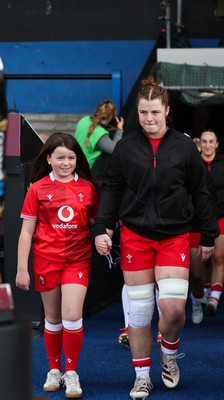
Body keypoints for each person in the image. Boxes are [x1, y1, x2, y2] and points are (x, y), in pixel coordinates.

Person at [92, 77, 219, 399]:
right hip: (135, 235)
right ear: (138, 111)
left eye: (155, 112)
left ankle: (170, 354)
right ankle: (142, 376)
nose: (149, 119)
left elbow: (200, 192)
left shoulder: (183, 148)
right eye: (143, 112)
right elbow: (112, 190)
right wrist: (102, 227)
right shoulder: (126, 148)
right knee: (139, 312)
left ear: (167, 111)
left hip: (175, 235)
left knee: (174, 311)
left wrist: (208, 234)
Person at [16, 132, 98, 399]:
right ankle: (54, 369)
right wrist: (21, 268)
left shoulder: (87, 188)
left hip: (77, 259)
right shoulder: (37, 188)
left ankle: (71, 372)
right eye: (60, 157)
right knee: (52, 318)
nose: (66, 163)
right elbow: (27, 232)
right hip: (46, 260)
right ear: (48, 158)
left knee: (72, 315)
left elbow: (95, 223)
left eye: (71, 157)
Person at [199, 129, 224, 314]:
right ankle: (205, 292)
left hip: (221, 216)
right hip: (198, 219)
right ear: (199, 144)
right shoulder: (192, 163)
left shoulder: (222, 163)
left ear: (216, 144)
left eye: (211, 141)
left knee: (218, 257)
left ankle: (214, 299)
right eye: (204, 141)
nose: (207, 145)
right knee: (201, 261)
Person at [74, 99, 124, 185]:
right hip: (88, 171)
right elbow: (115, 148)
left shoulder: (84, 120)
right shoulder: (100, 134)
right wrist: (120, 129)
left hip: (76, 165)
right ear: (112, 117)